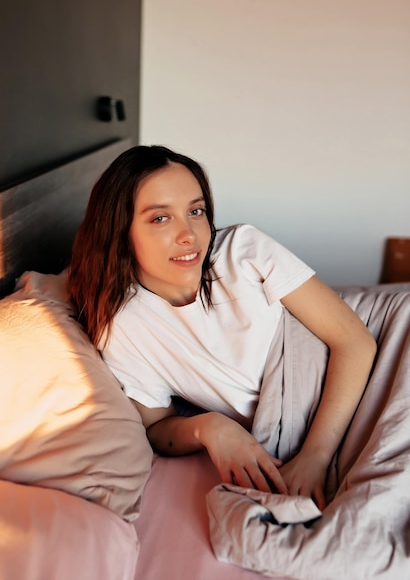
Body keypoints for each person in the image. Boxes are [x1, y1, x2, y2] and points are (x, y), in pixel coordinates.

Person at [67, 145, 376, 510]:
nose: (189, 235)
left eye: (195, 211)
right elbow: (157, 427)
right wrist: (209, 427)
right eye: (160, 218)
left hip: (377, 352)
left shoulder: (242, 251)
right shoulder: (124, 328)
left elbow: (355, 341)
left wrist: (316, 456)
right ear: (118, 231)